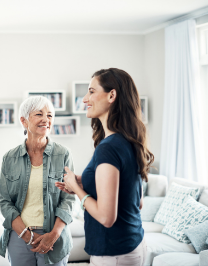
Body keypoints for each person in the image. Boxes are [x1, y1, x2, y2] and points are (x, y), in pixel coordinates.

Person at [56, 68, 154, 266]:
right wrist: (83, 181)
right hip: (132, 245)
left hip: (114, 254)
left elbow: (106, 217)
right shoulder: (129, 141)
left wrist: (76, 189)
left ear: (112, 95)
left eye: (91, 91)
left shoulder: (108, 148)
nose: (84, 99)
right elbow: (136, 201)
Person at [0, 96, 75, 266]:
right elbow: (4, 202)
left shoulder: (63, 154)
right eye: (39, 114)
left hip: (54, 236)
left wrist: (54, 235)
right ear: (24, 121)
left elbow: (68, 199)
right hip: (19, 236)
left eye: (50, 115)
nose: (46, 120)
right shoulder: (10, 158)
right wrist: (27, 235)